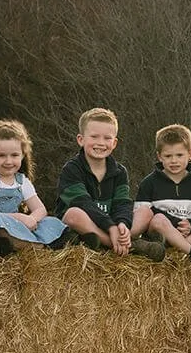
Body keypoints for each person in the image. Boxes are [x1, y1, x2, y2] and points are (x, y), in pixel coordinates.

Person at [56, 107, 165, 260]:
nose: (100, 143)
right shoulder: (72, 169)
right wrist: (110, 227)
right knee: (73, 214)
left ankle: (118, 240)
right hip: (87, 222)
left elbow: (122, 203)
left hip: (111, 223)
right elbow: (82, 203)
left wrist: (122, 225)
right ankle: (129, 246)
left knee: (145, 212)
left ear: (114, 143)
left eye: (107, 138)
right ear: (81, 139)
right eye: (94, 136)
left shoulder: (120, 171)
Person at [131, 124, 191, 272]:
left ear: (190, 154)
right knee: (158, 219)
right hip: (161, 237)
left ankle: (182, 246)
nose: (174, 161)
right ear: (159, 156)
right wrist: (175, 224)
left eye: (179, 155)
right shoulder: (149, 183)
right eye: (168, 156)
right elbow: (142, 212)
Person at [0, 119, 68, 253]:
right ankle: (35, 247)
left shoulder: (21, 180)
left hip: (19, 226)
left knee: (52, 222)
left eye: (14, 155)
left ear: (23, 155)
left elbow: (40, 209)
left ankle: (22, 244)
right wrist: (20, 217)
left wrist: (31, 219)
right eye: (1, 155)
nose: (8, 161)